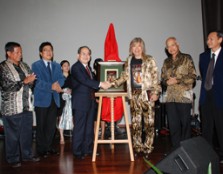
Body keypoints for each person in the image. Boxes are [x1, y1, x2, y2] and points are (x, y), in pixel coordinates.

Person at [112, 37, 161, 159]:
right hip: (134, 96)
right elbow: (124, 76)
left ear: (142, 48)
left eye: (139, 46)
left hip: (148, 94)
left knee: (149, 124)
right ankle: (138, 147)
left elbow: (155, 77)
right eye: (134, 46)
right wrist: (113, 83)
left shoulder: (149, 60)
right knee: (136, 124)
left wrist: (156, 92)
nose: (137, 49)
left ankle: (148, 148)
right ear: (131, 48)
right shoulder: (128, 60)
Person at [0, 42, 39, 167]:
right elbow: (6, 86)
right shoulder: (2, 67)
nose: (20, 54)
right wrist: (25, 81)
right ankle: (13, 158)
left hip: (26, 105)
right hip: (11, 108)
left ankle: (27, 155)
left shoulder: (24, 65)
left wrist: (31, 81)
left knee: (26, 134)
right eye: (17, 52)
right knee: (12, 136)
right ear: (9, 53)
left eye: (21, 52)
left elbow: (31, 82)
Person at [71, 46, 111, 159]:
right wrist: (101, 84)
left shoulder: (89, 69)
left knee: (89, 128)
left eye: (88, 54)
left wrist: (108, 84)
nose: (86, 56)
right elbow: (85, 81)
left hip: (90, 102)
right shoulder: (76, 68)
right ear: (78, 55)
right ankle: (77, 151)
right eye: (83, 53)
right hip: (80, 103)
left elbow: (93, 84)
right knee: (80, 128)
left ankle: (88, 149)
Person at [161, 37, 196, 150]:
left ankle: (186, 150)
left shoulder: (186, 58)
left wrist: (177, 80)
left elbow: (193, 77)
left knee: (185, 125)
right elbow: (162, 79)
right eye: (168, 46)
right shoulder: (166, 62)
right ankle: (176, 150)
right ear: (167, 49)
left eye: (173, 45)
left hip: (183, 97)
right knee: (173, 125)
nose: (171, 48)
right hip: (170, 97)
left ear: (178, 45)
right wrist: (166, 81)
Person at [32, 42, 65, 158]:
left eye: (50, 50)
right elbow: (37, 81)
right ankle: (41, 149)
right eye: (46, 50)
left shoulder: (56, 65)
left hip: (54, 99)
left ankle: (49, 147)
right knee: (41, 125)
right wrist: (51, 86)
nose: (49, 52)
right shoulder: (36, 65)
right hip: (41, 100)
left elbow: (61, 78)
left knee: (51, 126)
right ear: (41, 53)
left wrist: (58, 85)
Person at [199, 31, 223, 163]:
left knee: (220, 126)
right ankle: (207, 154)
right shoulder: (203, 56)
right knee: (207, 127)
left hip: (220, 96)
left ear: (220, 40)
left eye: (211, 39)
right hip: (206, 95)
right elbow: (204, 75)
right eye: (207, 39)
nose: (208, 41)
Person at [57, 60, 73, 144]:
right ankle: (61, 137)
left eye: (68, 65)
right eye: (65, 66)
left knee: (73, 116)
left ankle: (74, 134)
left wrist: (71, 90)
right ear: (61, 67)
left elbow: (75, 87)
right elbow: (57, 88)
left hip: (71, 99)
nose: (67, 67)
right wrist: (63, 90)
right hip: (61, 99)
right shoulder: (59, 77)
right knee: (60, 117)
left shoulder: (72, 76)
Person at [92, 58, 106, 140]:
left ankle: (103, 135)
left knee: (102, 118)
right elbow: (91, 88)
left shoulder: (104, 74)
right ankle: (95, 135)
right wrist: (95, 99)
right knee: (95, 118)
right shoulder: (92, 75)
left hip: (103, 98)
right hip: (95, 99)